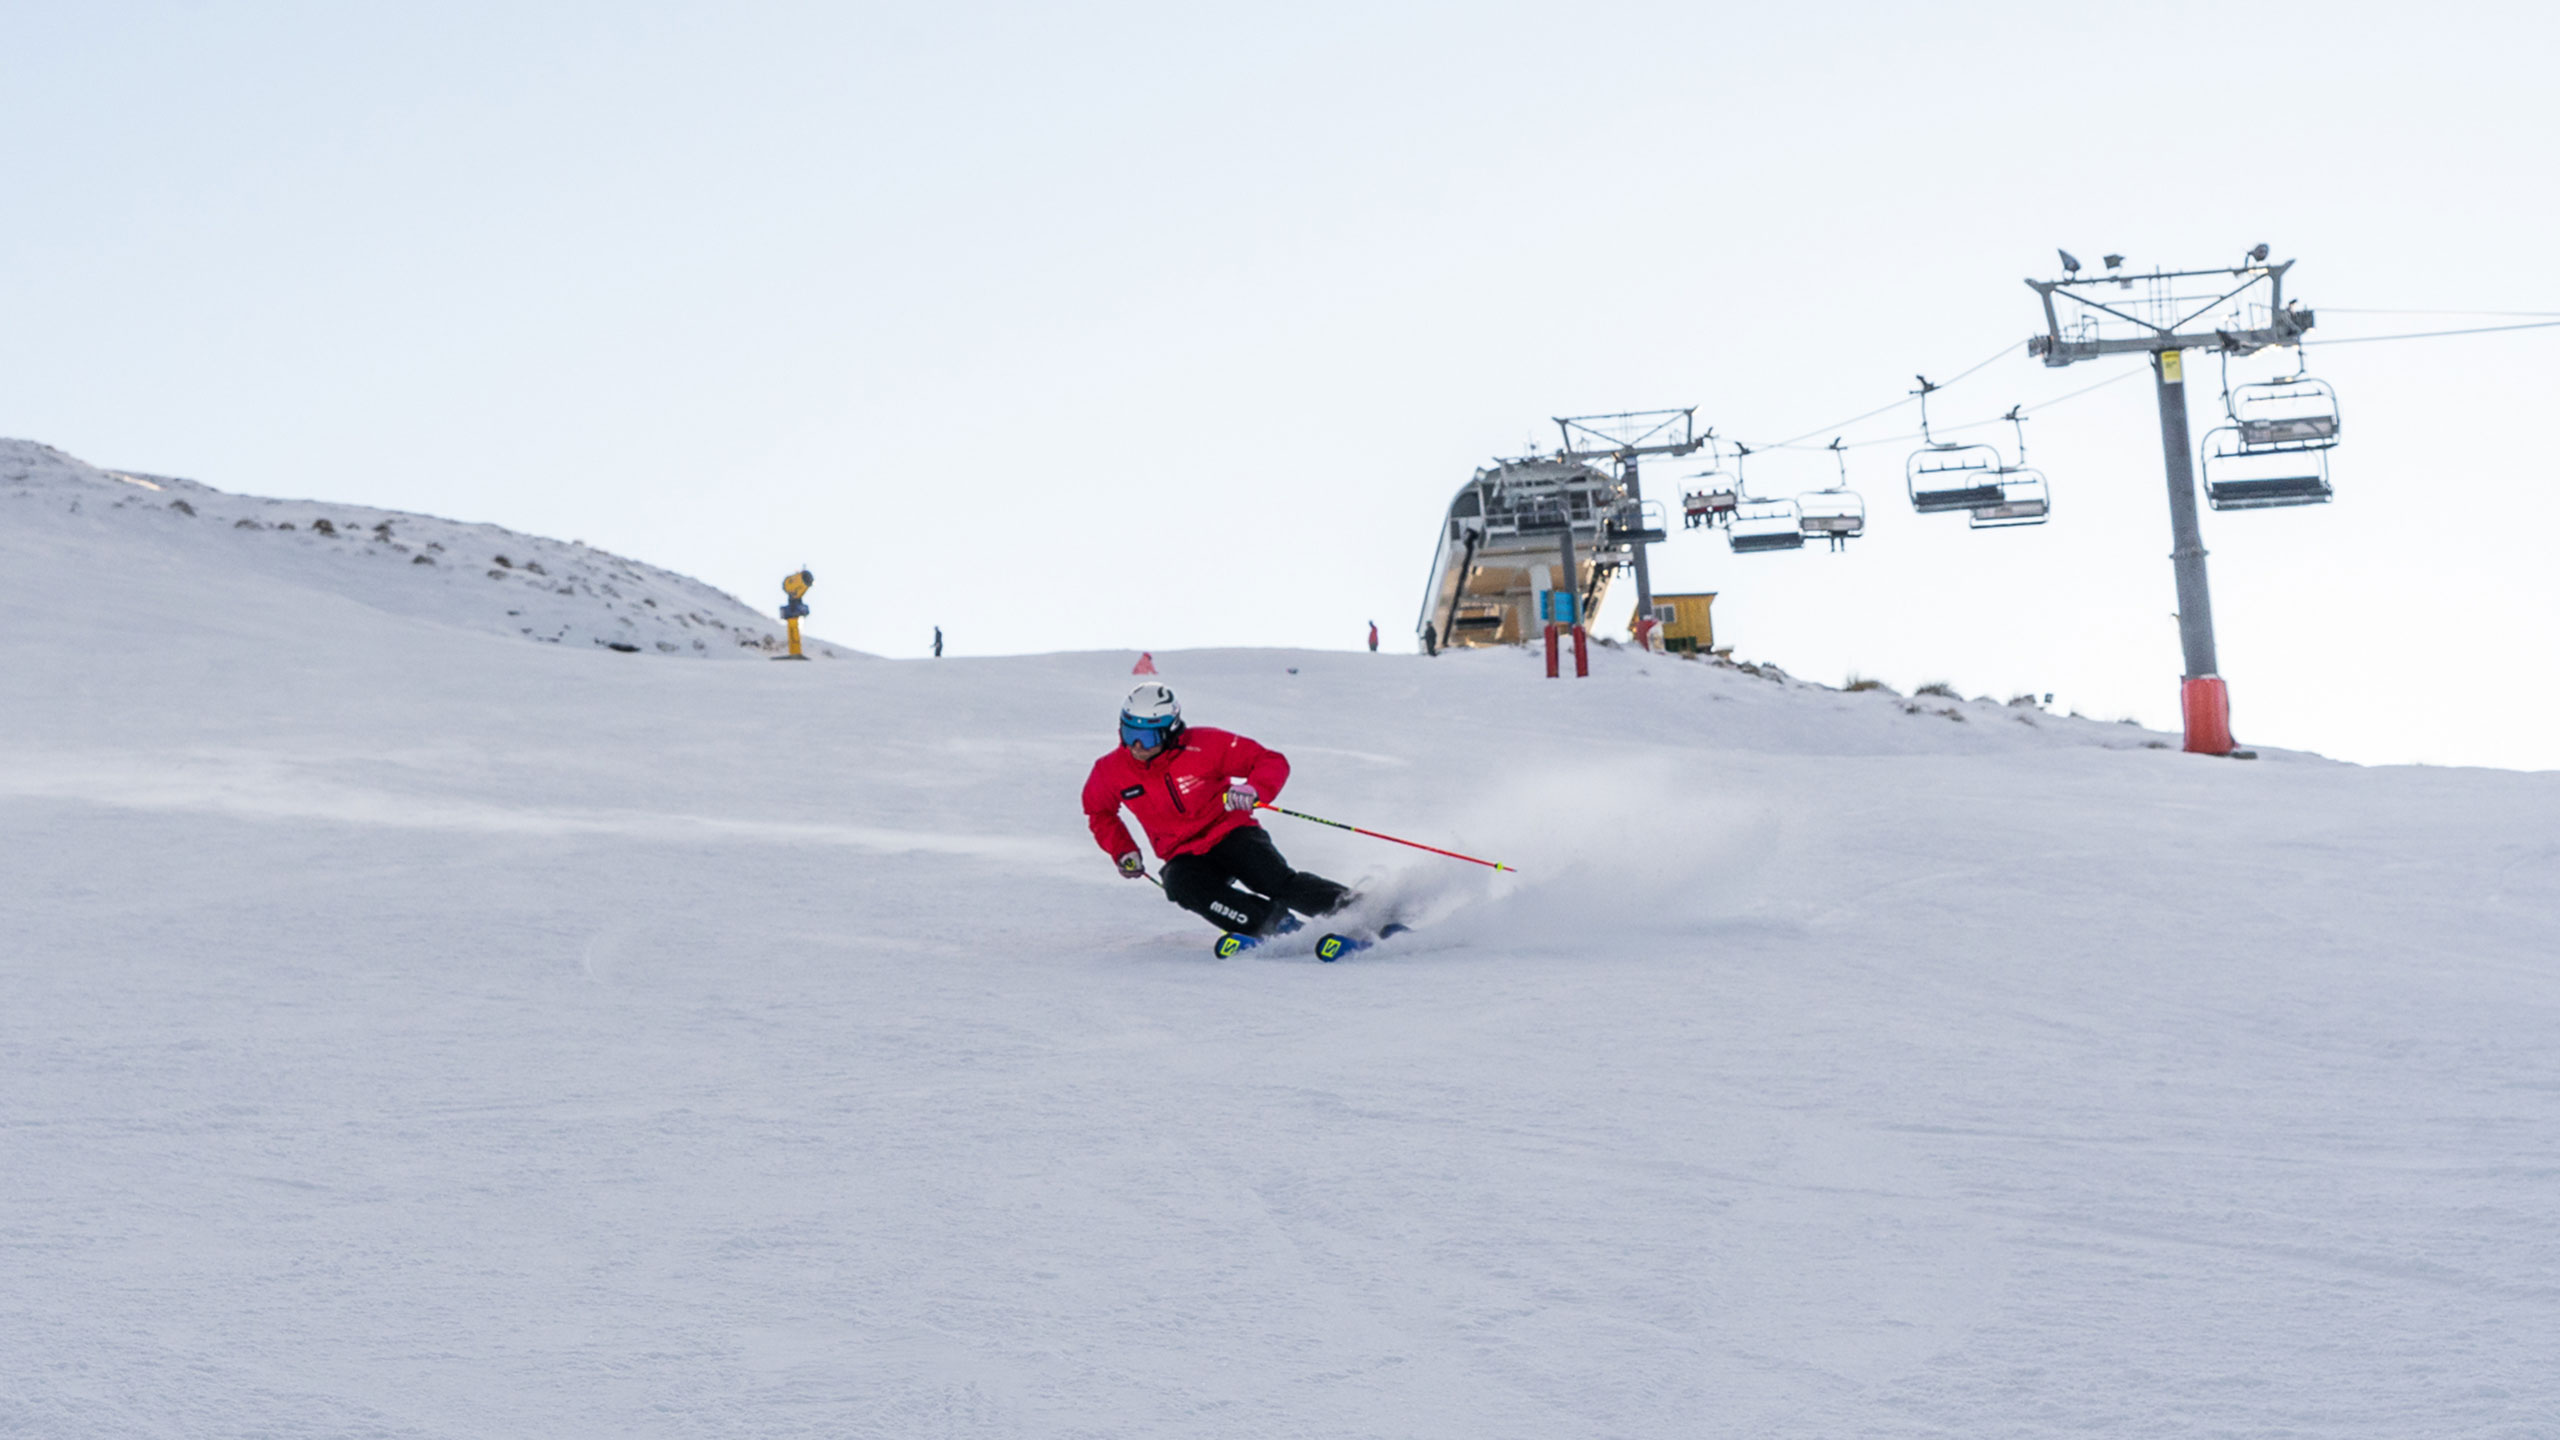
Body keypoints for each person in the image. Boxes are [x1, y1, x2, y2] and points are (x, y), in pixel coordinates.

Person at [1082, 682, 1351, 937]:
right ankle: (1273, 926)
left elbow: (1268, 760)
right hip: (1182, 852)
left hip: (1230, 832)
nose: (1137, 746)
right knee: (1180, 885)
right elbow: (1099, 812)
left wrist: (1254, 788)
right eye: (1130, 734)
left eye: (1147, 737)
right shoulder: (1110, 770)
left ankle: (1358, 911)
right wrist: (1123, 850)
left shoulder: (1204, 745)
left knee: (1271, 880)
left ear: (1170, 730)